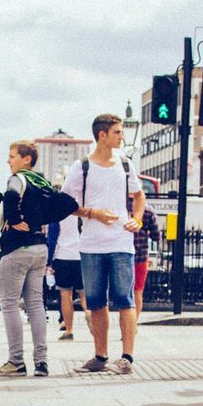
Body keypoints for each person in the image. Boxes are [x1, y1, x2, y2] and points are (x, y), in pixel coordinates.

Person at [62, 113, 144, 374]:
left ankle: (127, 357)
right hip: (91, 244)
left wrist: (138, 219)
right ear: (102, 135)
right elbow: (65, 204)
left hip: (121, 242)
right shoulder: (81, 167)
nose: (122, 136)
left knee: (125, 299)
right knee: (96, 301)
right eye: (118, 132)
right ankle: (100, 355)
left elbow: (139, 196)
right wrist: (91, 213)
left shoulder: (126, 165)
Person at [0, 140, 51, 377]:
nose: (9, 161)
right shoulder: (42, 182)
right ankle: (42, 362)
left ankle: (16, 361)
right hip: (40, 248)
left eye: (12, 156)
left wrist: (14, 219)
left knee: (9, 304)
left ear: (26, 159)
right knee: (36, 305)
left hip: (17, 249)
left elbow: (11, 195)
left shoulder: (19, 178)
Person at [46, 213, 84, 340]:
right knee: (84, 294)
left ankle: (69, 330)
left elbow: (52, 238)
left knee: (65, 294)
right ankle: (91, 319)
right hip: (81, 255)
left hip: (62, 255)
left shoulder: (58, 209)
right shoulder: (83, 206)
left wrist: (49, 260)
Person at [132, 204, 159, 318]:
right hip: (141, 256)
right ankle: (133, 324)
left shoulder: (120, 206)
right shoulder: (148, 210)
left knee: (123, 293)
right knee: (138, 291)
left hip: (121, 255)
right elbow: (156, 235)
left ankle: (125, 324)